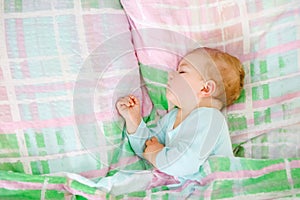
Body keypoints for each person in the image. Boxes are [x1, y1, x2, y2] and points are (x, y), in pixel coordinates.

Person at [92, 47, 244, 196]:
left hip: (214, 189)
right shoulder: (172, 118)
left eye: (182, 71)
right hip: (184, 188)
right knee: (123, 182)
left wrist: (156, 153)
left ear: (205, 89)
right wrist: (134, 121)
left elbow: (185, 163)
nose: (171, 75)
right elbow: (147, 148)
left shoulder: (211, 119)